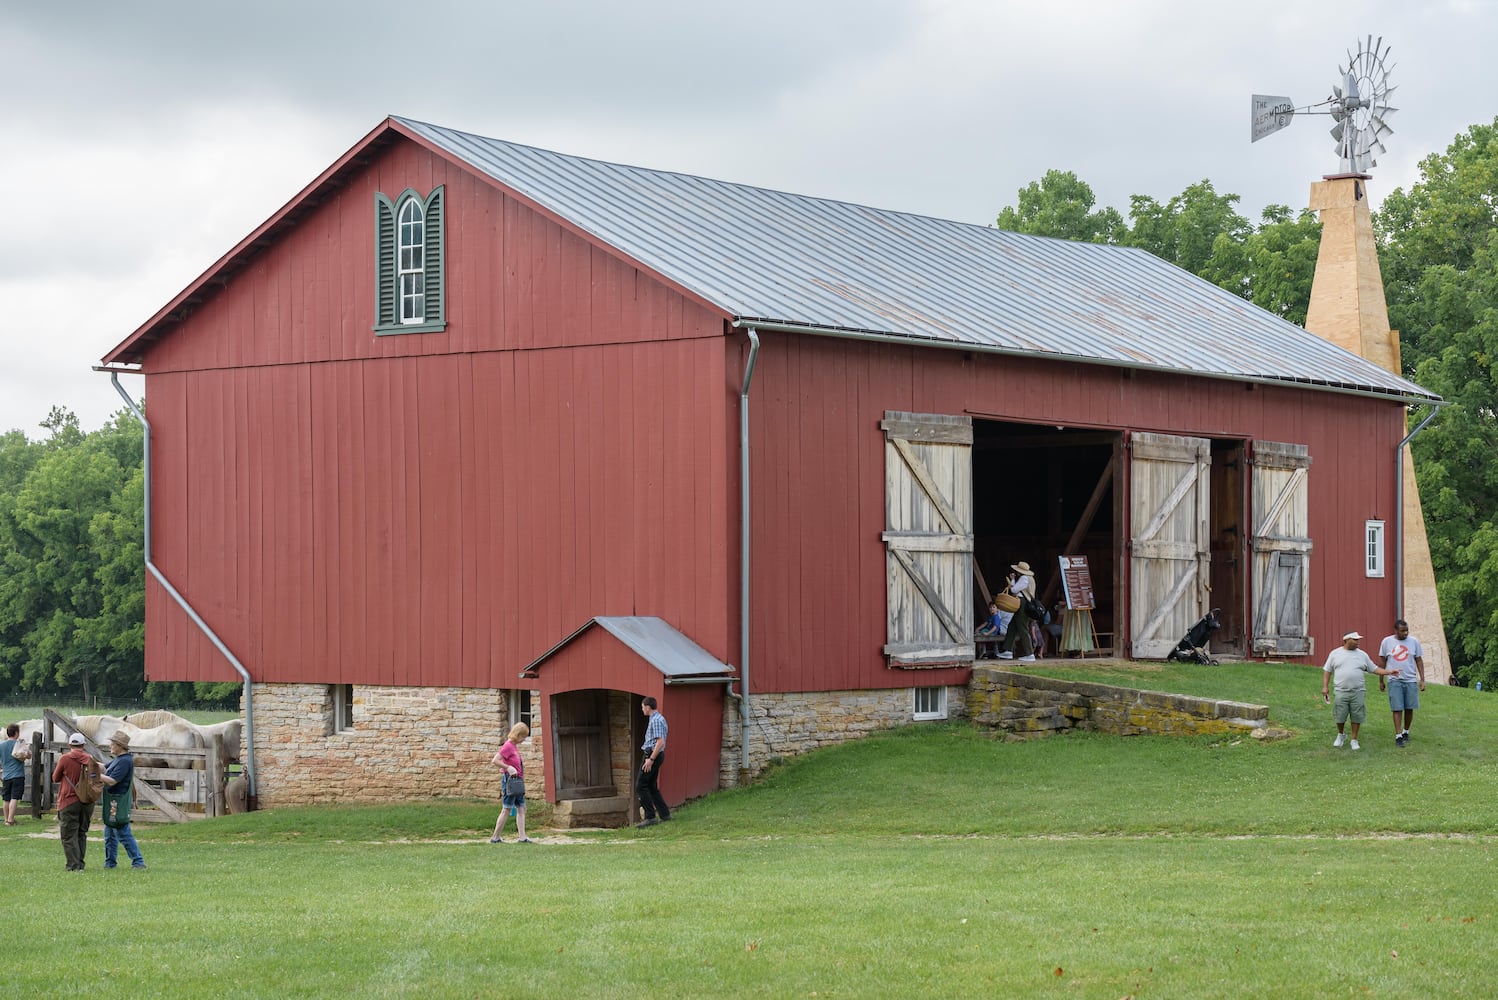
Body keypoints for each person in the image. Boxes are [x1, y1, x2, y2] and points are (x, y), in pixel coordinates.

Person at [1321, 631, 1399, 751]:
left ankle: (1354, 739)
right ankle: (1341, 735)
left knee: (1357, 716)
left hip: (1358, 691)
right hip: (1341, 691)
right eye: (1355, 640)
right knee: (1339, 716)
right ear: (1346, 640)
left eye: (1358, 640)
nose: (1358, 642)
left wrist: (1389, 672)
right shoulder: (1335, 654)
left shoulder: (1362, 655)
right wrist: (1325, 687)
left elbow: (1374, 669)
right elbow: (1327, 671)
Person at [99, 731, 146, 869]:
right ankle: (110, 863)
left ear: (120, 745)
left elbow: (113, 781)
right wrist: (87, 761)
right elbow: (104, 767)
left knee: (122, 832)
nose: (110, 746)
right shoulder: (119, 759)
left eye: (113, 744)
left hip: (117, 802)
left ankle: (138, 862)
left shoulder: (124, 761)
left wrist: (95, 775)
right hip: (114, 801)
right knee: (109, 834)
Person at [52, 732, 97, 871]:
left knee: (68, 835)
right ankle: (80, 864)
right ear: (83, 745)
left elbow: (55, 778)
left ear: (69, 744)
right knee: (81, 833)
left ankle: (73, 865)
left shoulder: (65, 759)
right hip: (87, 801)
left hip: (69, 800)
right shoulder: (90, 759)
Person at [1378, 619, 1426, 747]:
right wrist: (1381, 680)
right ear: (1396, 631)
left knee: (1409, 708)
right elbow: (1382, 661)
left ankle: (1406, 732)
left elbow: (1419, 660)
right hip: (1394, 680)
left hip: (1410, 680)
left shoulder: (1414, 642)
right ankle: (1398, 735)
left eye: (1407, 631)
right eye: (1402, 631)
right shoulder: (1387, 642)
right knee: (1397, 708)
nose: (1405, 633)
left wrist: (1422, 679)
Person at [489, 723, 531, 844]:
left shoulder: (514, 746)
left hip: (517, 782)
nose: (524, 739)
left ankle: (522, 837)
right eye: (523, 737)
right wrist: (508, 767)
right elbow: (495, 760)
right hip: (510, 781)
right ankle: (495, 837)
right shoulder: (508, 746)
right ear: (517, 735)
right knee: (506, 809)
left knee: (522, 808)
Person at [636, 696, 670, 827]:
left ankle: (650, 817)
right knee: (651, 786)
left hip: (652, 755)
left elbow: (660, 741)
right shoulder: (658, 718)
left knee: (640, 785)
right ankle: (665, 814)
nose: (642, 709)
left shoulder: (655, 720)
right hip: (654, 754)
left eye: (643, 707)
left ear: (648, 707)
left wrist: (650, 759)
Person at [997, 561, 1037, 662]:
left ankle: (1029, 653)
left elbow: (1014, 590)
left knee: (1022, 628)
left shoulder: (1024, 578)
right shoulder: (1030, 578)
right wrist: (1013, 580)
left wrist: (1012, 581)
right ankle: (1008, 650)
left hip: (1022, 603)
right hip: (1025, 603)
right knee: (1012, 626)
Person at [1, 723, 29, 826]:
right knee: (14, 797)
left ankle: (6, 820)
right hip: (17, 774)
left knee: (6, 798)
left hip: (6, 775)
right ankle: (11, 819)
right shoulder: (19, 744)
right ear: (16, 733)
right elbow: (28, 755)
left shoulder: (1, 745)